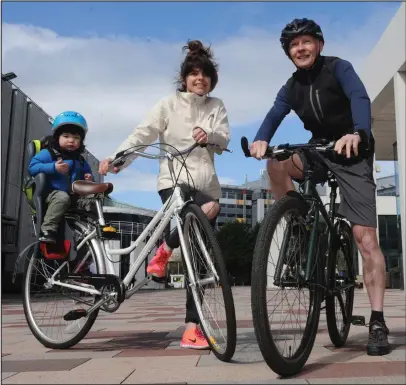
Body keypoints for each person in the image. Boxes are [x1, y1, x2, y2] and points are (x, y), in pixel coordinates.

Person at [249, 18, 389, 356]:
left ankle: (377, 320)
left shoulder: (339, 69)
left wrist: (358, 132)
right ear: (289, 53)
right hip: (320, 151)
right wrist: (261, 139)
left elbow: (359, 96)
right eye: (293, 45)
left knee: (365, 239)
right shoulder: (291, 86)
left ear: (320, 45)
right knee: (276, 163)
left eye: (306, 41)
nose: (300, 48)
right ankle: (298, 225)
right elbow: (274, 113)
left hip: (352, 152)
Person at [99, 40, 230, 350]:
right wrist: (118, 159)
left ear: (211, 79)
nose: (200, 79)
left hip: (206, 185)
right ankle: (166, 249)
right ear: (184, 78)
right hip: (172, 182)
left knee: (197, 263)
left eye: (205, 74)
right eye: (194, 74)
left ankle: (190, 328)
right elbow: (141, 135)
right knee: (195, 207)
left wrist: (208, 136)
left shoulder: (216, 106)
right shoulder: (167, 105)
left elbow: (223, 140)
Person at [29, 111, 94, 244]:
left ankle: (90, 233)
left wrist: (89, 178)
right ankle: (48, 229)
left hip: (74, 196)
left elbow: (88, 174)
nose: (71, 140)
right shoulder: (49, 153)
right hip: (51, 195)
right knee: (62, 197)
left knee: (94, 199)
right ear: (57, 137)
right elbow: (33, 167)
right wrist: (53, 167)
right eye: (66, 136)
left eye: (76, 138)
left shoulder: (80, 160)